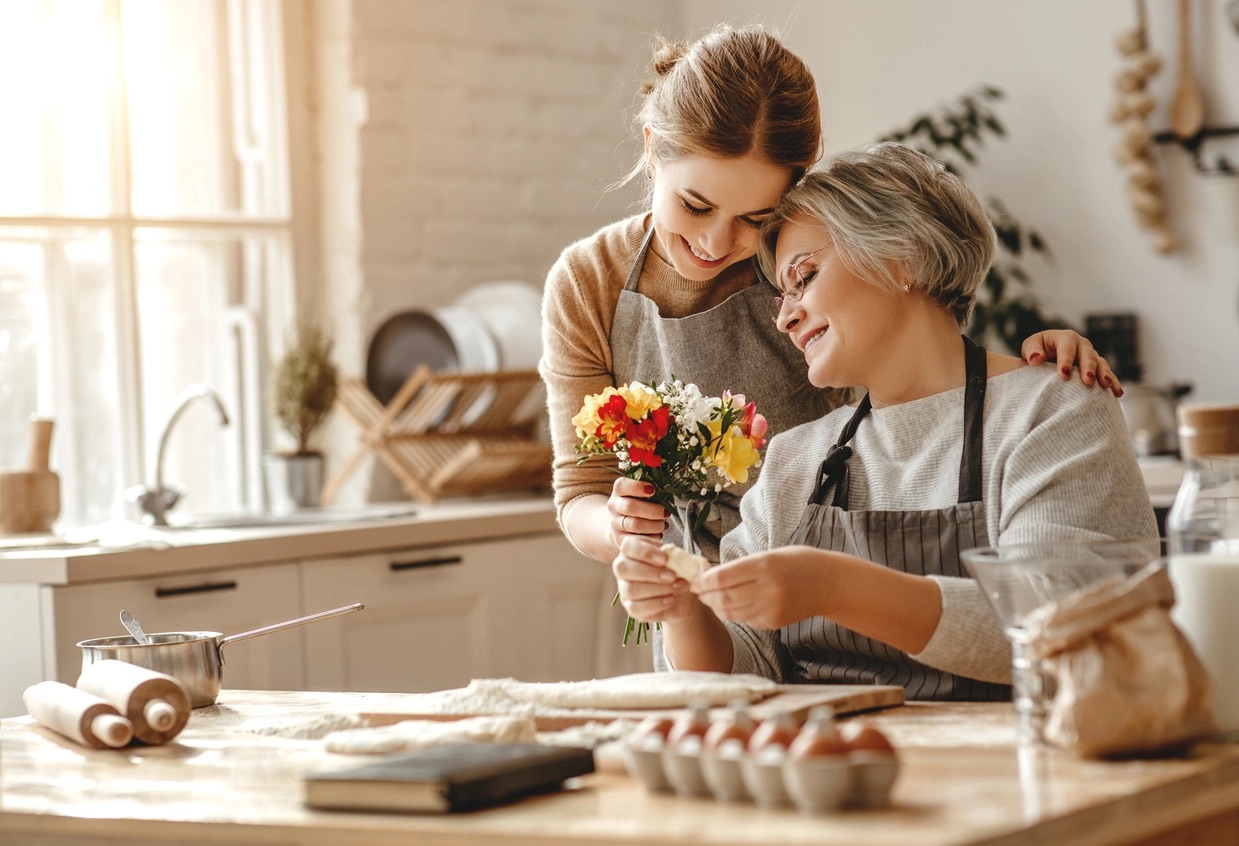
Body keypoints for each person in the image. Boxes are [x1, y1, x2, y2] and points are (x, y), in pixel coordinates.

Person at [540, 23, 1120, 577]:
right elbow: (579, 491)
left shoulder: (802, 256)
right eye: (695, 206)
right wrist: (622, 528)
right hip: (687, 597)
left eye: (755, 218)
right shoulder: (588, 283)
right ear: (651, 149)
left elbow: (918, 373)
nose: (715, 243)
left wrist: (1028, 375)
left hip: (825, 580)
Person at [611, 142, 1158, 698]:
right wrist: (683, 611)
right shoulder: (795, 460)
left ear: (903, 257)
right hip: (833, 753)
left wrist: (835, 586)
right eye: (781, 295)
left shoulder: (1051, 409)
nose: (785, 318)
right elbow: (744, 668)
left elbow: (1062, 623)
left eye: (805, 276)